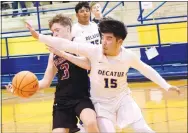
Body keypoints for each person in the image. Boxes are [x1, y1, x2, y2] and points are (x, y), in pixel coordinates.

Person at [26, 17, 181, 133]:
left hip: (122, 99)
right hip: (100, 103)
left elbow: (147, 69)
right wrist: (38, 36)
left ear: (119, 41)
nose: (104, 42)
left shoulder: (128, 56)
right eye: (103, 37)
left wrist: (166, 86)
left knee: (142, 128)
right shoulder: (94, 51)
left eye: (109, 38)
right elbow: (67, 45)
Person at [6, 14, 99, 133]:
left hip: (81, 96)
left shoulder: (79, 43)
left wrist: (64, 54)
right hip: (62, 100)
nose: (54, 34)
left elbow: (87, 65)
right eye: (52, 32)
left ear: (68, 28)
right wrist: (20, 90)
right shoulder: (53, 53)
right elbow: (45, 82)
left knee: (90, 122)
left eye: (57, 30)